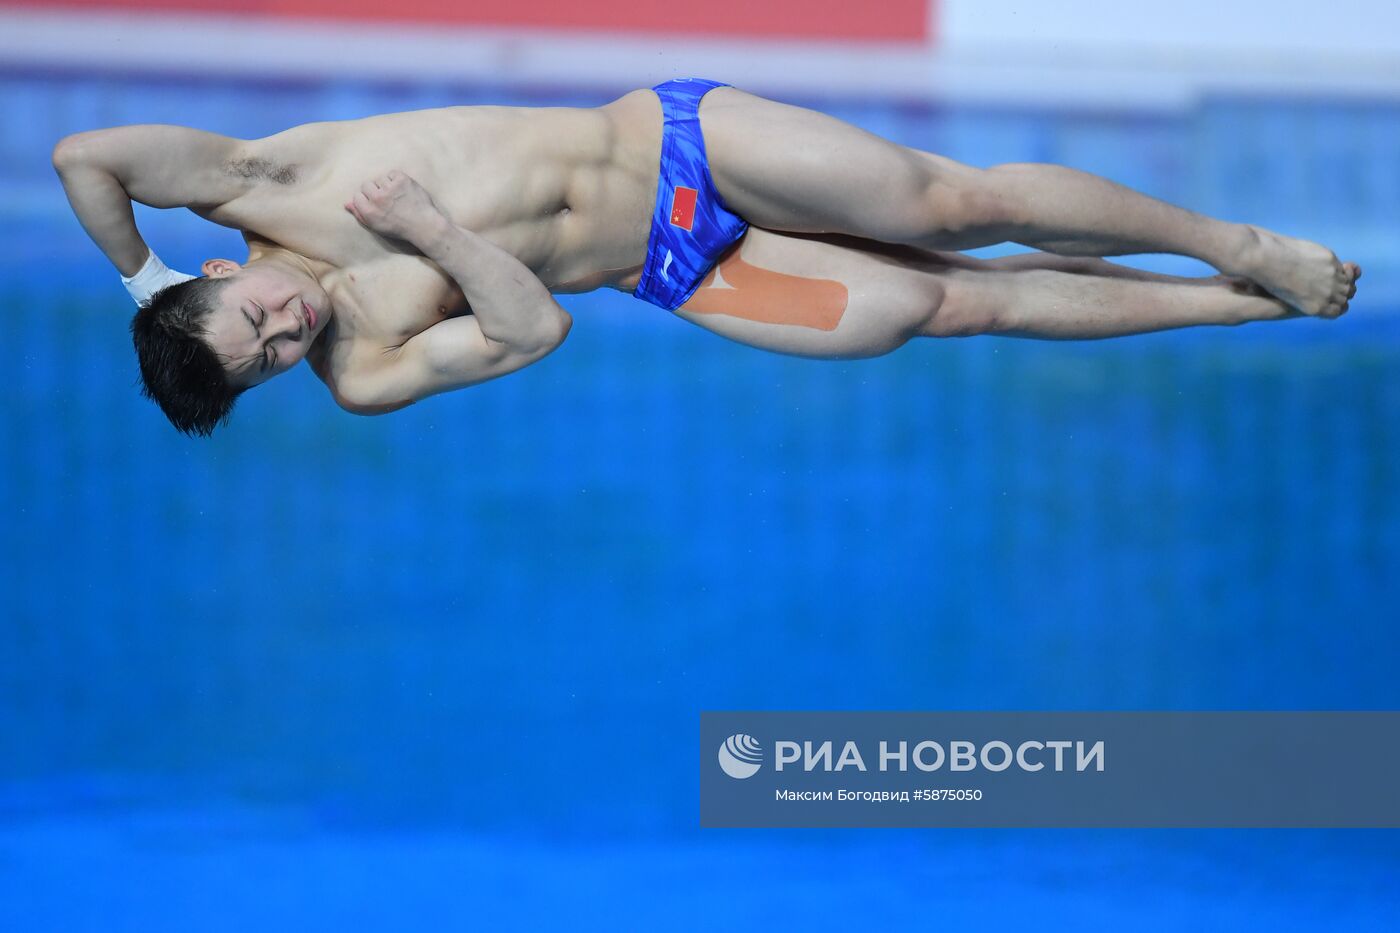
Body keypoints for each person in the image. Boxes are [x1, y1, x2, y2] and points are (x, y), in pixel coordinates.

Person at [53, 77, 1360, 436]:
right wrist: (436, 236)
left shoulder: (262, 180)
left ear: (217, 273)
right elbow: (534, 333)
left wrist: (131, 277)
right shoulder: (371, 366)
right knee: (951, 308)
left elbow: (85, 159)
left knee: (949, 200)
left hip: (675, 148)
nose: (290, 330)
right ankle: (1240, 305)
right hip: (673, 268)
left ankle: (1235, 241)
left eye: (259, 316)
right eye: (274, 358)